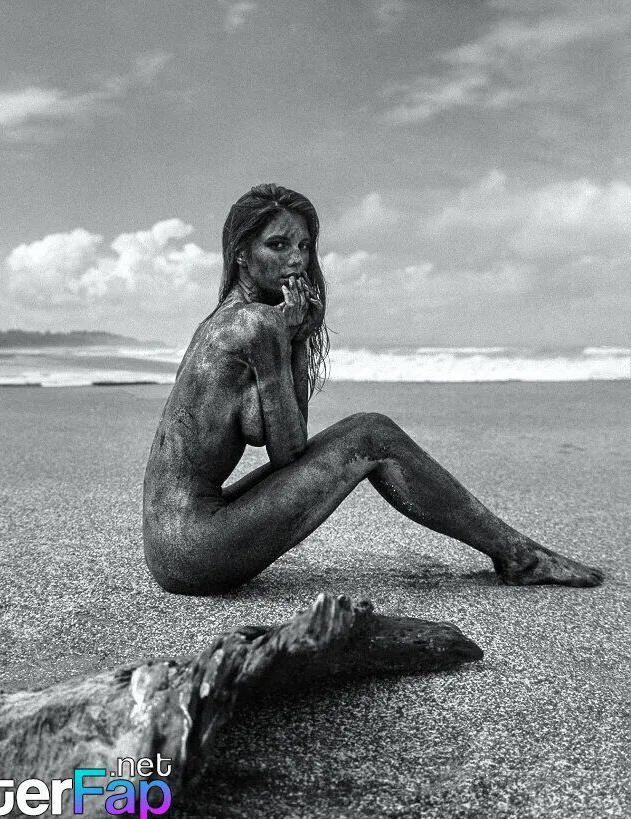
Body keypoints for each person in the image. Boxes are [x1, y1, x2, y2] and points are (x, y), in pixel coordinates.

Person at [142, 183, 604, 596]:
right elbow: (289, 452)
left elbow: (273, 437)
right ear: (241, 253)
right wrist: (295, 339)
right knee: (373, 434)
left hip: (173, 545)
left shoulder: (222, 322)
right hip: (196, 551)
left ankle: (518, 554)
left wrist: (297, 337)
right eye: (277, 245)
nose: (297, 260)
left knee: (367, 430)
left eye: (303, 246)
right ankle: (518, 555)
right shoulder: (256, 324)